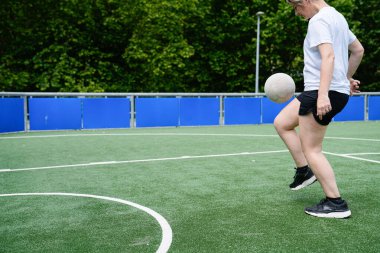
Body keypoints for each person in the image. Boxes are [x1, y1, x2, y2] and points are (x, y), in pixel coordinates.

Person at [274, 0, 364, 218]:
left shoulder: (318, 20)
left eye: (296, 7)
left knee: (312, 149)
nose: (296, 12)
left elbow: (329, 56)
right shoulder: (337, 17)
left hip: (320, 93)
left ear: (305, 0)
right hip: (327, 91)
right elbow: (358, 50)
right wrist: (345, 79)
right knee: (282, 123)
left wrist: (323, 94)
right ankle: (304, 171)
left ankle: (336, 203)